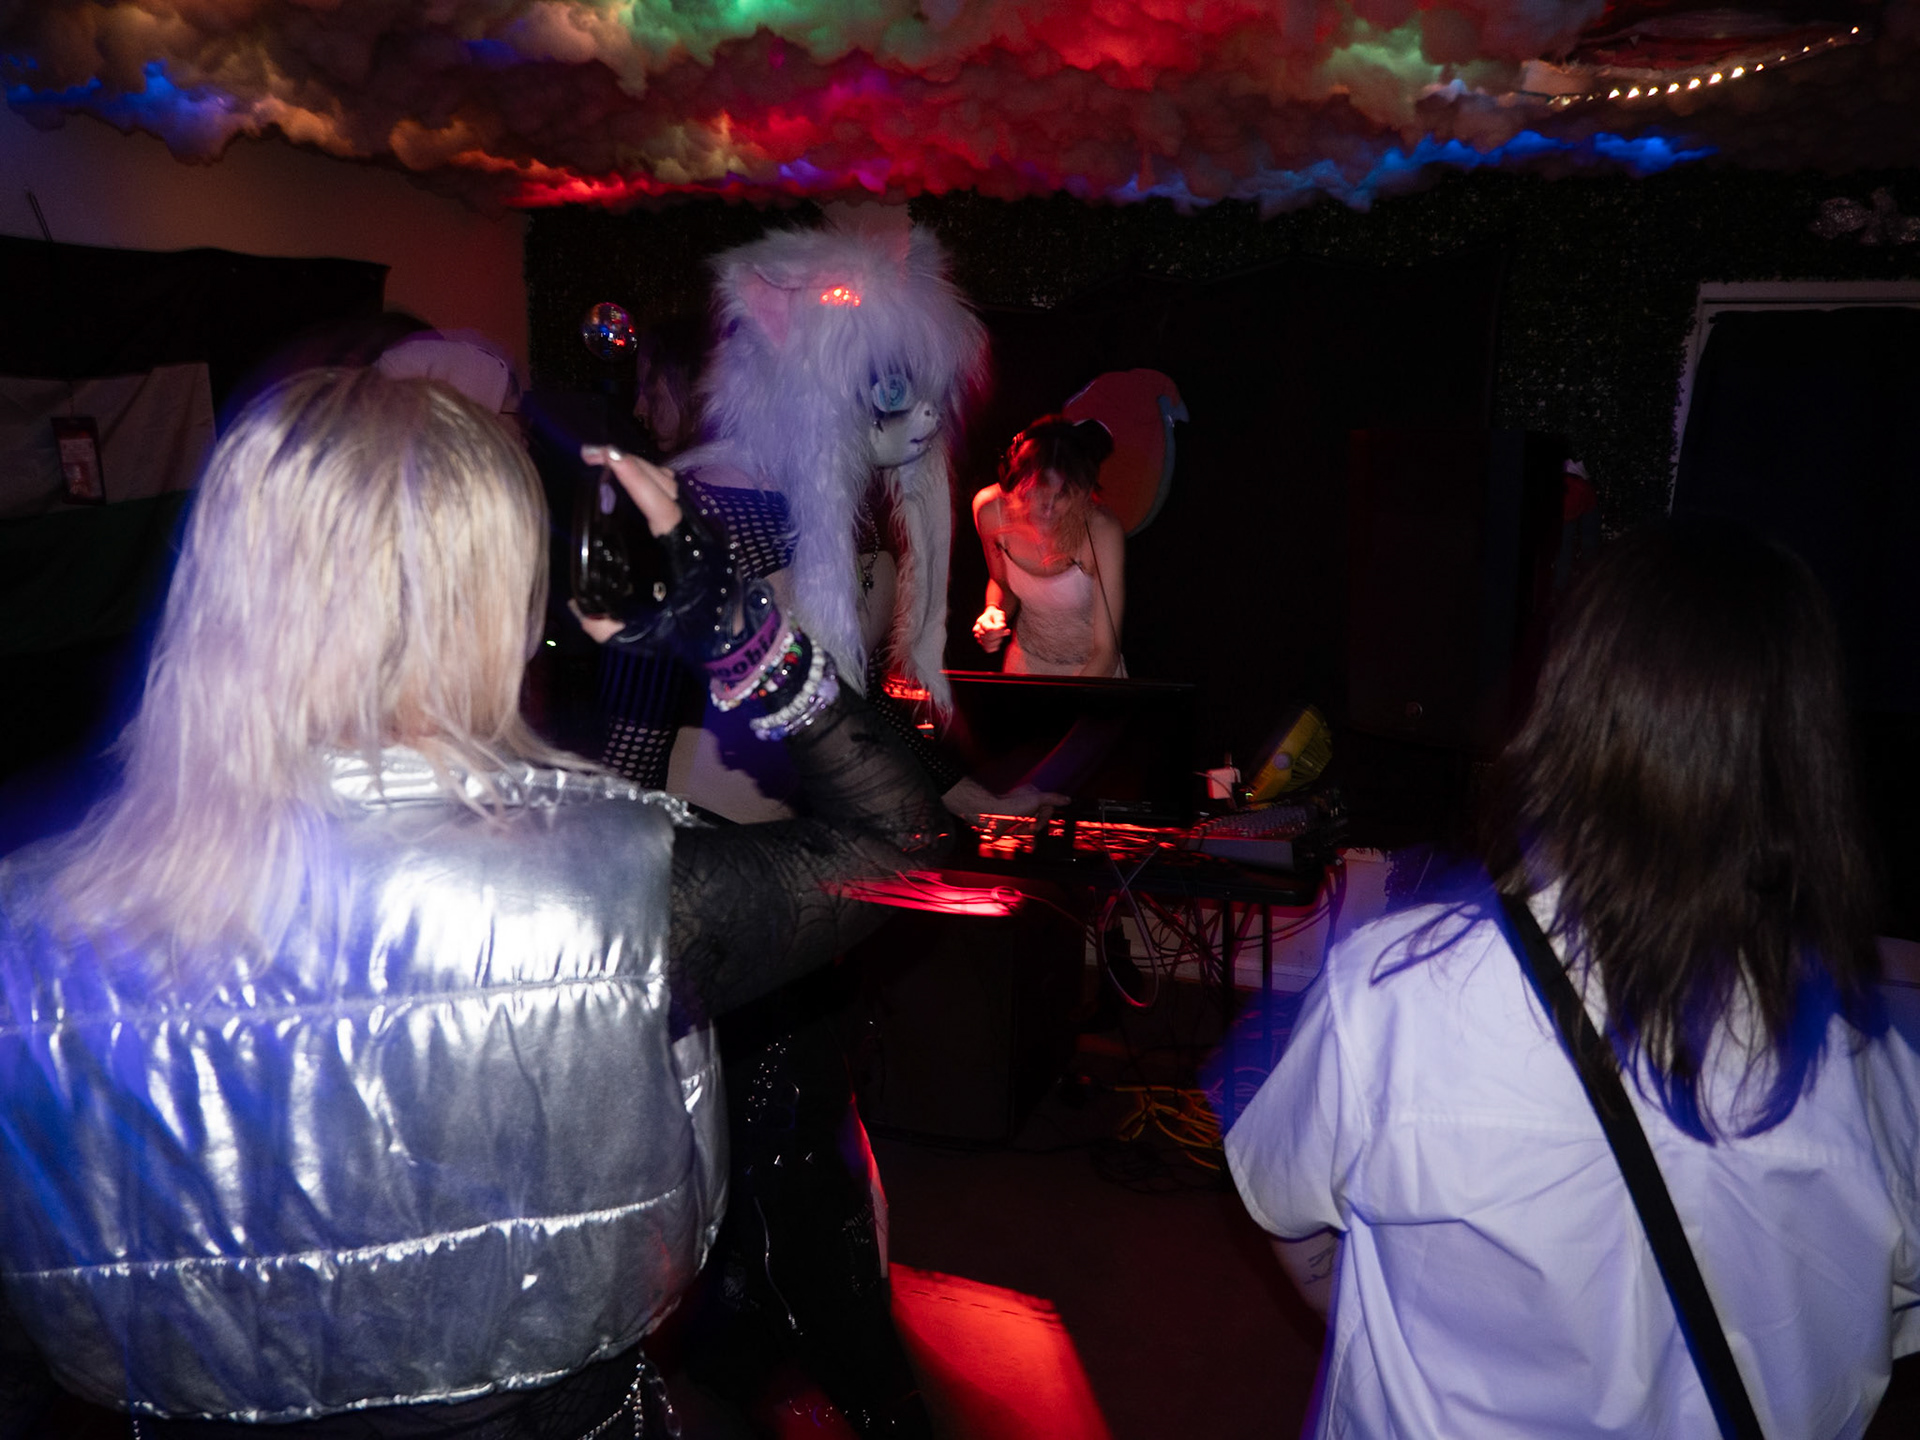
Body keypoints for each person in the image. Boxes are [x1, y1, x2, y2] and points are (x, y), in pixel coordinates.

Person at [0, 367, 952, 1437]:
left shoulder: (28, 923)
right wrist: (743, 632)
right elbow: (907, 848)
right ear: (499, 595)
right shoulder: (616, 890)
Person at [1226, 520, 1920, 1438]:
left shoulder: (1391, 998)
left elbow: (1291, 1220)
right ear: (1811, 757)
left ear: (1570, 715)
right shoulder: (1886, 1081)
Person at [971, 416, 1126, 678]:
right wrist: (993, 611)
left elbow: (1106, 652)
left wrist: (1067, 700)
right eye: (1039, 491)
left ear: (1081, 492)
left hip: (1093, 674)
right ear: (1017, 481)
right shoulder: (990, 511)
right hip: (1025, 665)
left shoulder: (1101, 531)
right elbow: (1001, 582)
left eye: (1061, 495)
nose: (1048, 508)